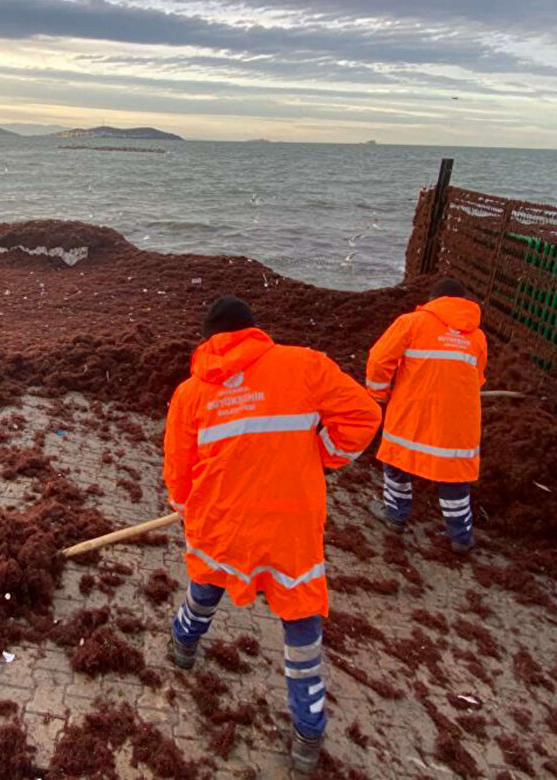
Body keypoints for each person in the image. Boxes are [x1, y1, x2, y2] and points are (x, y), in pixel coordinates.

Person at [163, 295, 381, 775]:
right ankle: (308, 731)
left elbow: (179, 468)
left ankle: (183, 643)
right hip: (290, 523)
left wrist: (183, 506)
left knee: (208, 581)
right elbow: (365, 417)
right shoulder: (304, 365)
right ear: (253, 333)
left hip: (223, 519)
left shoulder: (191, 393)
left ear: (209, 341)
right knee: (301, 618)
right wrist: (322, 454)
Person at [364, 278, 487, 553]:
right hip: (459, 420)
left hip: (413, 411)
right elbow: (477, 379)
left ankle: (395, 515)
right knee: (454, 475)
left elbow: (379, 359)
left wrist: (378, 394)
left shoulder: (412, 322)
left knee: (398, 460)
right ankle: (461, 535)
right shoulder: (477, 336)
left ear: (433, 302)